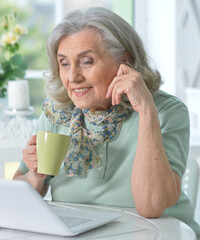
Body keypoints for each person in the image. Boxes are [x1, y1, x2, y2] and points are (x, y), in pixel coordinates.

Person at [12, 7, 200, 238]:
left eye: (87, 61)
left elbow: (151, 206)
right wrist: (35, 176)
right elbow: (19, 190)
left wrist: (146, 110)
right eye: (64, 63)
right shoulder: (57, 113)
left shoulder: (166, 111)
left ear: (125, 62)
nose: (73, 77)